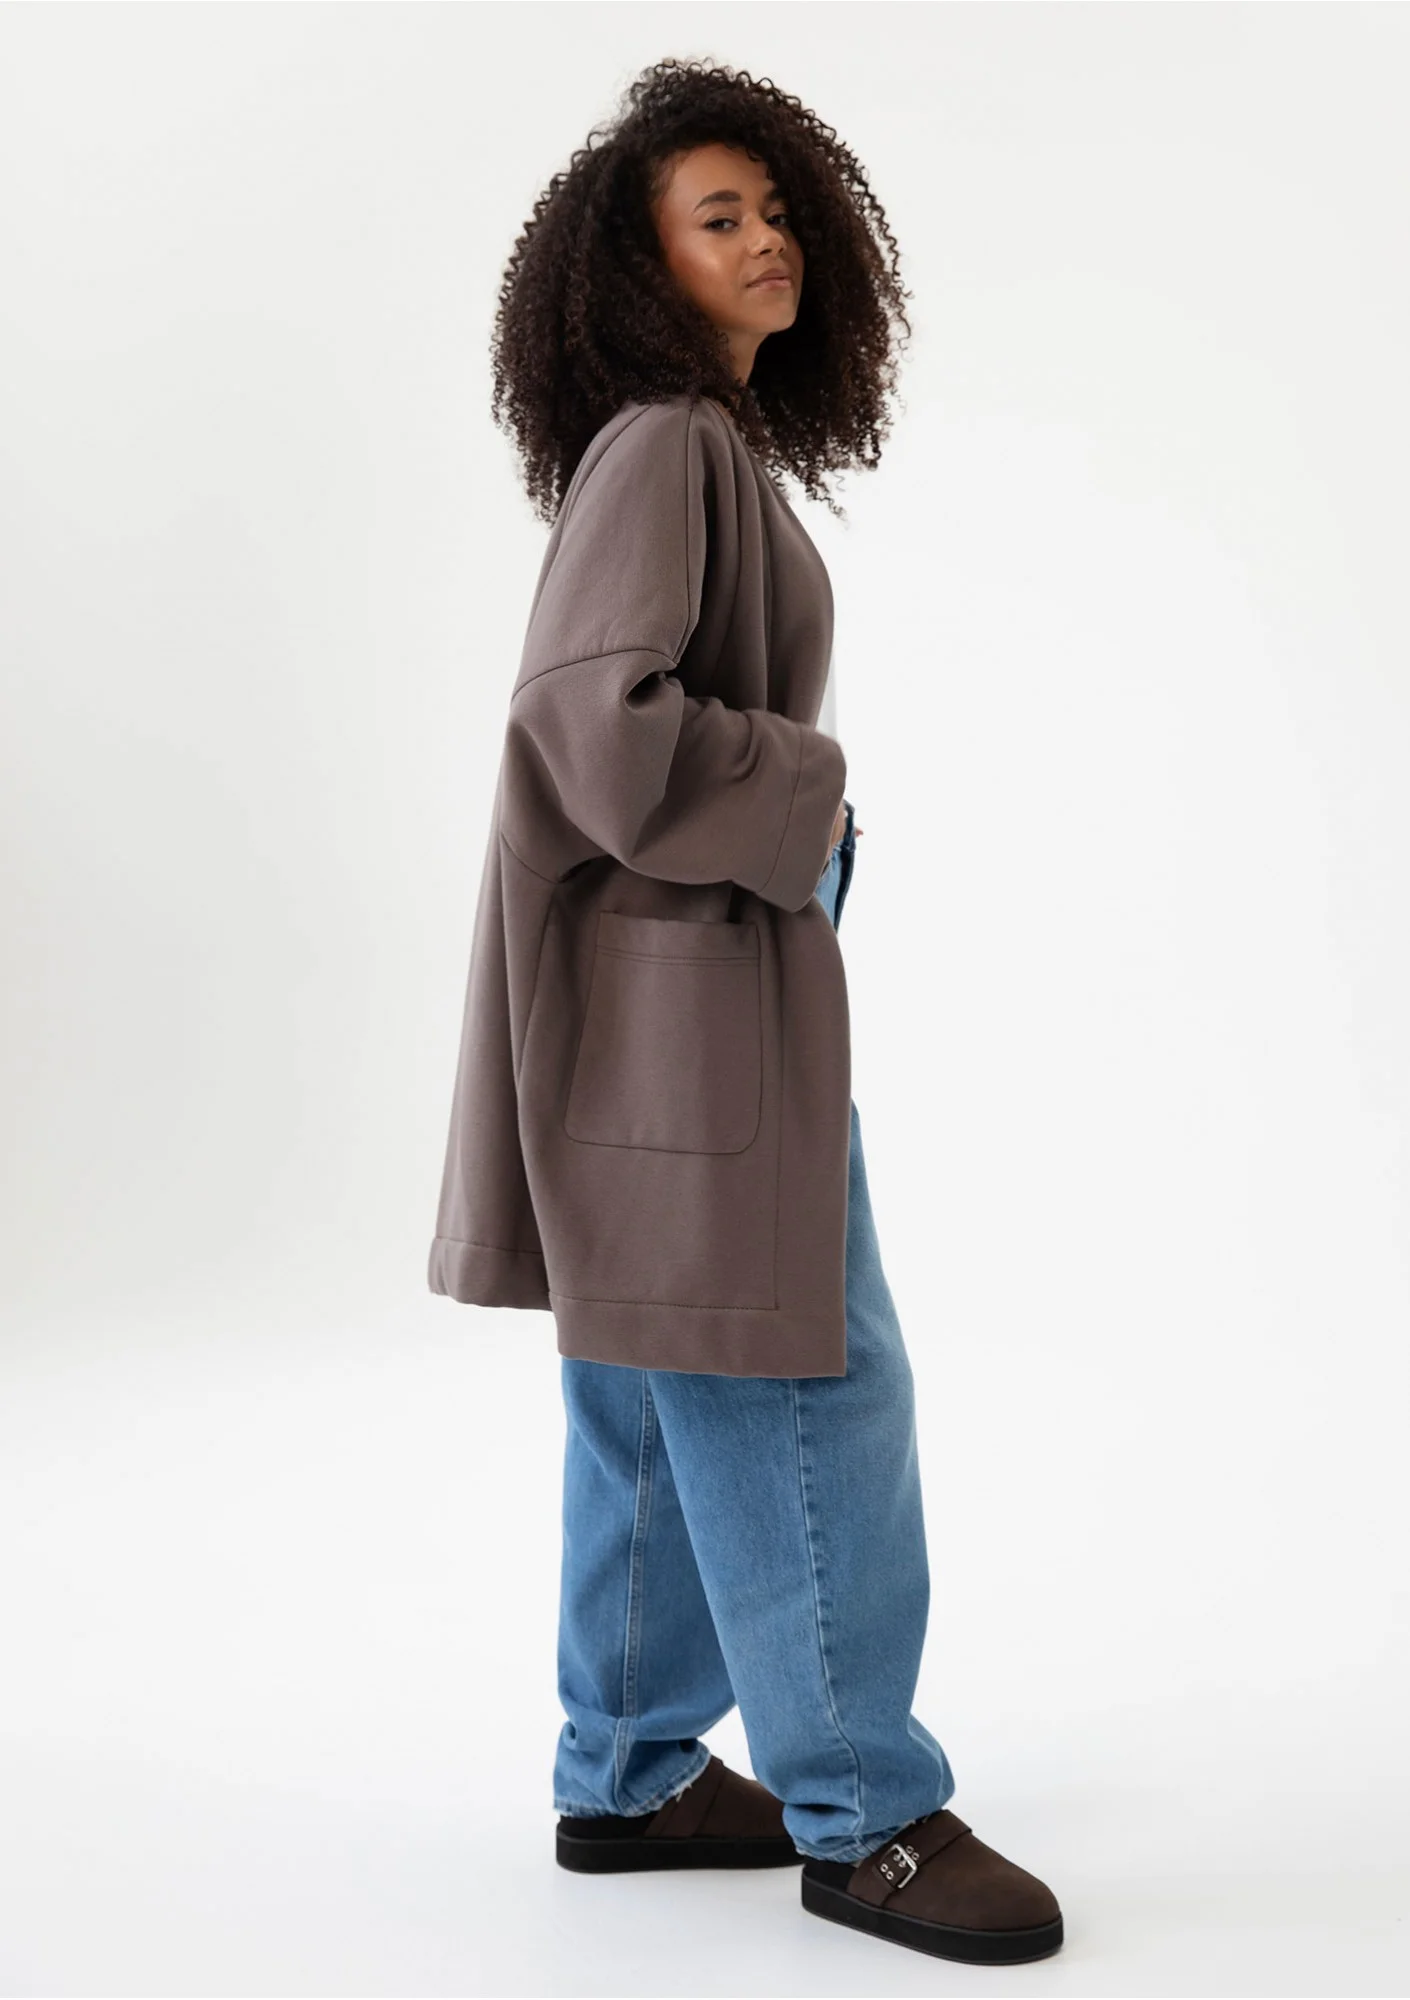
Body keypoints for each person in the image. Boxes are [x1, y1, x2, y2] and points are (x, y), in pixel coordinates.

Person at [428, 57, 1064, 1968]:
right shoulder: (667, 445)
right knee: (804, 1377)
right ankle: (865, 1812)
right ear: (640, 268)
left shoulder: (688, 440)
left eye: (776, 210)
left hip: (654, 1001)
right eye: (719, 218)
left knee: (655, 1380)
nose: (767, 238)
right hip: (683, 999)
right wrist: (811, 796)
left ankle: (625, 1775)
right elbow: (587, 724)